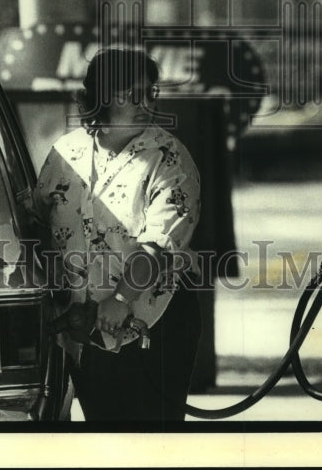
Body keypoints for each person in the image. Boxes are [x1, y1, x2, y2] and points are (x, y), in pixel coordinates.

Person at [33, 46, 202, 423]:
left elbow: (159, 244)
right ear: (101, 98)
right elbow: (36, 219)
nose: (145, 103)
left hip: (154, 323)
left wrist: (122, 297)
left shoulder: (169, 158)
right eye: (131, 93)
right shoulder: (66, 152)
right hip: (83, 328)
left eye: (150, 92)